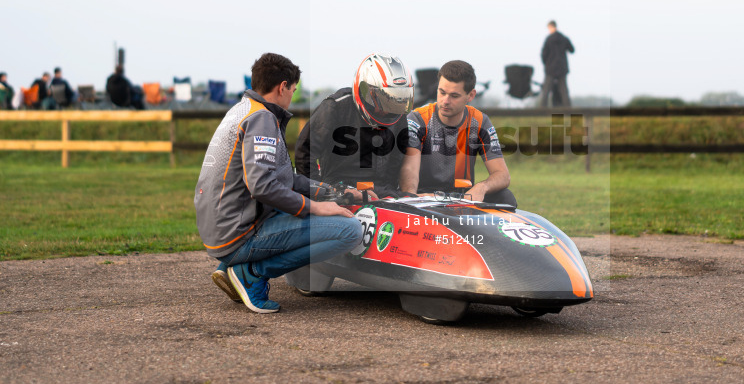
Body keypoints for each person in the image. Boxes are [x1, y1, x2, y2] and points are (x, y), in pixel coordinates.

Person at [195, 53, 363, 313]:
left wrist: (334, 193)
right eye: (293, 90)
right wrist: (317, 207)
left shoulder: (242, 110)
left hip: (220, 231)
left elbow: (284, 178)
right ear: (282, 86)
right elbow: (262, 186)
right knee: (350, 230)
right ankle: (251, 271)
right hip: (238, 235)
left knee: (304, 209)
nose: (292, 96)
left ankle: (230, 267)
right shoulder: (262, 119)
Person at [295, 53, 414, 200]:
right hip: (339, 190)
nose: (389, 109)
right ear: (366, 91)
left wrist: (388, 194)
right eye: (384, 99)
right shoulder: (336, 107)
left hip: (380, 191)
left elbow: (396, 160)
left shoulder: (398, 114)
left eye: (396, 99)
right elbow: (305, 153)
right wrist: (322, 193)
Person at [399, 60, 515, 207]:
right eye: (442, 92)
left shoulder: (479, 121)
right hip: (424, 197)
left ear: (471, 95)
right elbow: (410, 169)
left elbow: (503, 175)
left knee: (506, 198)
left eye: (454, 96)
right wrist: (412, 197)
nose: (445, 101)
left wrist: (482, 187)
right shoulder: (418, 119)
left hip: (462, 199)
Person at [539, 20, 575, 108]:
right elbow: (572, 50)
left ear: (550, 27)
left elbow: (543, 54)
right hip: (562, 68)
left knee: (546, 91)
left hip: (550, 68)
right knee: (564, 91)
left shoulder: (548, 39)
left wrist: (546, 63)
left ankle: (542, 110)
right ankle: (568, 110)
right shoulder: (564, 38)